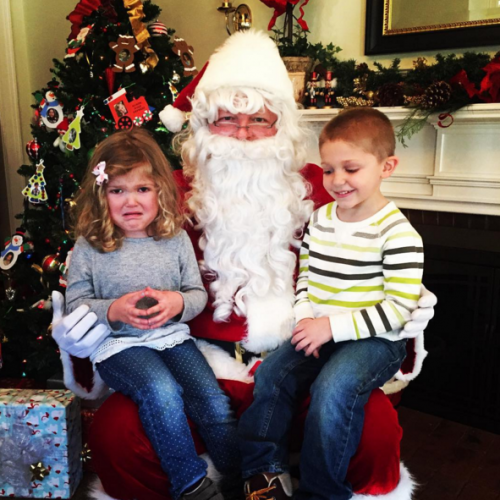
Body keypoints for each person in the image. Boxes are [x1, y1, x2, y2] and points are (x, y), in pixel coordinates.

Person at [51, 31, 436, 500]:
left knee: (374, 429)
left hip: (306, 358)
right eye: (227, 119)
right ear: (203, 126)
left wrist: (407, 306)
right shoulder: (163, 194)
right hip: (195, 362)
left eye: (259, 119)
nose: (244, 134)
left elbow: (374, 256)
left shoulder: (323, 187)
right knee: (116, 433)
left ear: (283, 127)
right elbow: (116, 269)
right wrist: (89, 321)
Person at [239, 108, 424, 500]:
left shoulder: (398, 233)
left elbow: (399, 309)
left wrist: (332, 328)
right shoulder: (320, 220)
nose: (337, 180)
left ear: (386, 166)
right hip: (320, 328)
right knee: (272, 374)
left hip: (376, 340)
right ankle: (262, 472)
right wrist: (307, 318)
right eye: (328, 169)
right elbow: (306, 276)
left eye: (351, 168)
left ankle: (322, 492)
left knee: (333, 388)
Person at [65, 128, 240, 500]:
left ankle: (239, 476)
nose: (131, 201)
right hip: (117, 347)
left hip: (172, 338)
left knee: (210, 398)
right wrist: (113, 309)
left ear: (160, 190)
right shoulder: (90, 246)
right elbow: (76, 305)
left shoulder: (173, 238)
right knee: (160, 390)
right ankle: (191, 484)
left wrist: (176, 303)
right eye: (118, 190)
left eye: (142, 189)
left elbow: (195, 295)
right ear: (101, 194)